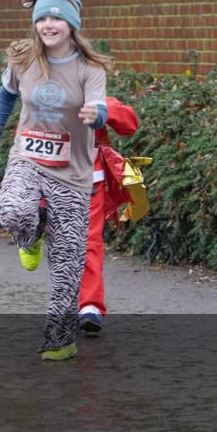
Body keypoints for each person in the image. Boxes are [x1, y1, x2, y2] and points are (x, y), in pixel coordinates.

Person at [0, 0, 110, 361]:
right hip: (27, 158)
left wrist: (95, 114)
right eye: (42, 19)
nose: (48, 25)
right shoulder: (23, 60)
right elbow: (5, 97)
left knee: (68, 261)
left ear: (72, 24)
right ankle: (30, 236)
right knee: (12, 210)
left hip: (72, 171)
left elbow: (101, 108)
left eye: (56, 19)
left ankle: (60, 339)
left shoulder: (89, 68)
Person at [76, 96, 138, 333]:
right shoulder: (44, 97)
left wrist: (103, 111)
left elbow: (130, 124)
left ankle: (89, 305)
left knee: (89, 242)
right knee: (63, 243)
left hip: (90, 181)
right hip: (51, 181)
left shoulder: (95, 97)